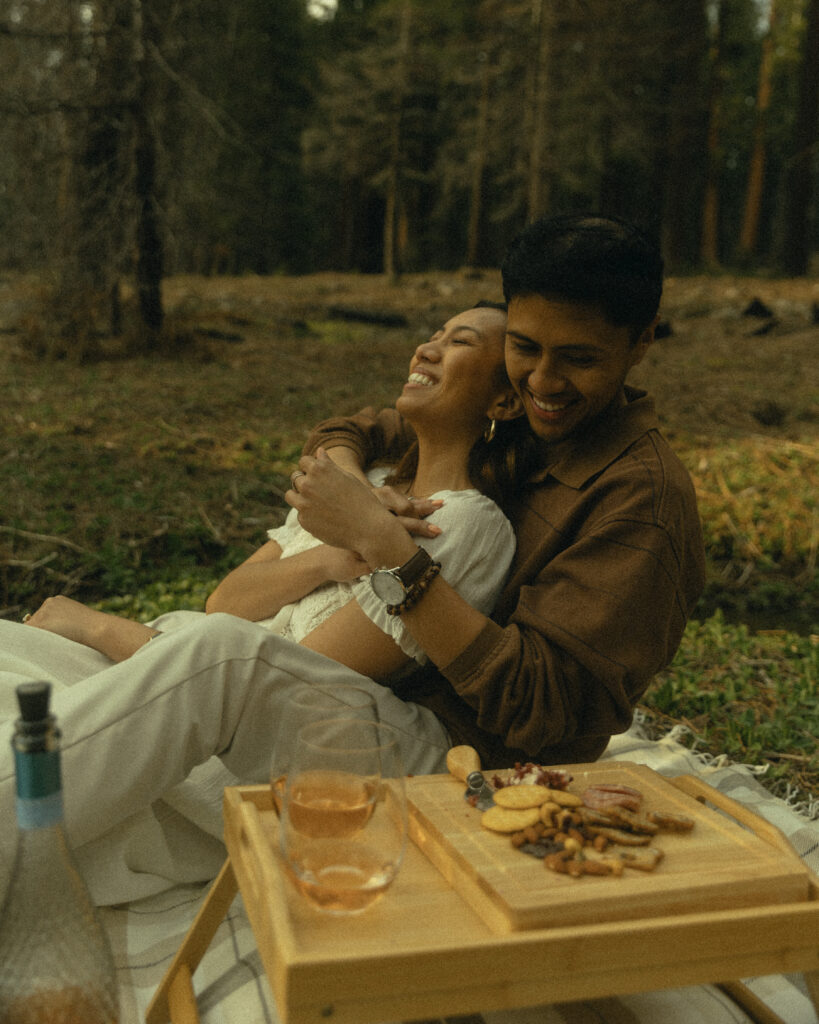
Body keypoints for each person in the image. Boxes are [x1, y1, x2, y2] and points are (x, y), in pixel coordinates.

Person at [0, 303, 527, 904]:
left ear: (504, 401)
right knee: (13, 652)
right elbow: (226, 598)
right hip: (188, 664)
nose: (425, 350)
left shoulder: (463, 524)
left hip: (261, 730)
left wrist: (98, 626)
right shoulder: (366, 485)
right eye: (430, 335)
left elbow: (275, 672)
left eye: (457, 342)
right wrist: (330, 556)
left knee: (82, 687)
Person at [288, 213, 706, 770]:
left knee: (209, 666)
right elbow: (354, 430)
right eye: (524, 347)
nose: (542, 381)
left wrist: (385, 545)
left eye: (579, 358)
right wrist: (349, 484)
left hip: (477, 763)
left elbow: (539, 709)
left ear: (643, 340)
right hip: (373, 706)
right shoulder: (506, 415)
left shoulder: (641, 500)